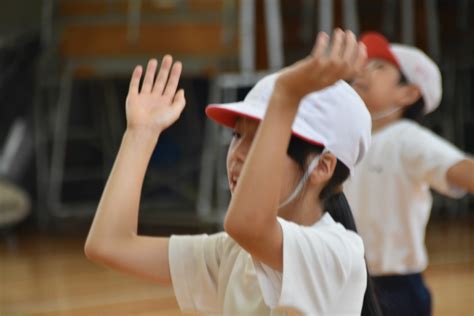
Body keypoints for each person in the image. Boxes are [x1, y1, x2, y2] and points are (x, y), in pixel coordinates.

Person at [85, 29, 381, 315]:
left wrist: (286, 96)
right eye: (238, 136)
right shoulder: (232, 254)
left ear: (322, 167)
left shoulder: (337, 252)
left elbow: (247, 225)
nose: (238, 154)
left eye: (264, 138)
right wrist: (141, 134)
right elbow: (109, 244)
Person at [344, 31, 474, 316]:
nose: (364, 70)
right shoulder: (348, 142)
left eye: (379, 67)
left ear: (409, 93)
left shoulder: (406, 138)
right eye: (365, 63)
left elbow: (464, 170)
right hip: (350, 284)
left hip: (397, 290)